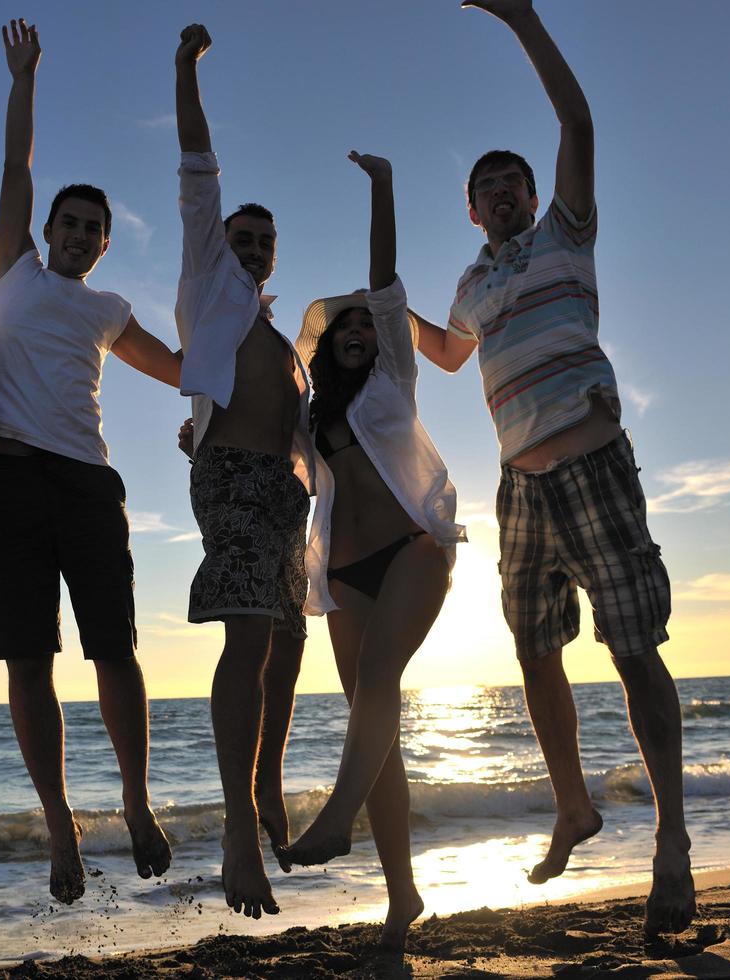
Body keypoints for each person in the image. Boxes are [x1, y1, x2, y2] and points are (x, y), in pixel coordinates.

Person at [410, 0, 695, 935]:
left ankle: (673, 843)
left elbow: (577, 121)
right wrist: (372, 308)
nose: (501, 196)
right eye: (486, 188)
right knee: (535, 651)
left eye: (513, 185)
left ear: (534, 199)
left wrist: (522, 18)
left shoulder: (567, 236)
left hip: (593, 462)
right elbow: (448, 357)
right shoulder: (470, 286)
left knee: (632, 648)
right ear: (470, 209)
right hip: (519, 487)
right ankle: (574, 805)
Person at [0, 19, 177, 906]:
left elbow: (177, 368)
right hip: (8, 481)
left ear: (102, 244)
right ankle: (61, 822)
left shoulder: (107, 308)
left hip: (88, 483)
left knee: (114, 651)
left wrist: (216, 401)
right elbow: (15, 168)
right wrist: (25, 78)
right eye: (71, 222)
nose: (80, 235)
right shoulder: (13, 272)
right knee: (27, 659)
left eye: (93, 229)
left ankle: (134, 802)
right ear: (47, 230)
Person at [275, 151, 466, 950]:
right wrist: (196, 438)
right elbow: (263, 443)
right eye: (343, 326)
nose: (356, 330)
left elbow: (385, 285)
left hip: (415, 550)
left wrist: (384, 187)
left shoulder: (395, 382)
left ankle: (334, 820)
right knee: (372, 728)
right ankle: (402, 897)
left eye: (364, 324)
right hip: (344, 579)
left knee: (380, 684)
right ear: (326, 348)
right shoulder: (311, 417)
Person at [174, 23, 316, 921]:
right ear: (221, 242)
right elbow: (198, 170)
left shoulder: (282, 340)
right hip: (231, 476)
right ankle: (238, 828)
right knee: (250, 640)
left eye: (265, 241)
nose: (254, 247)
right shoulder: (209, 282)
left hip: (288, 493)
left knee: (289, 647)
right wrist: (184, 69)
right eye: (243, 236)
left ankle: (267, 784)